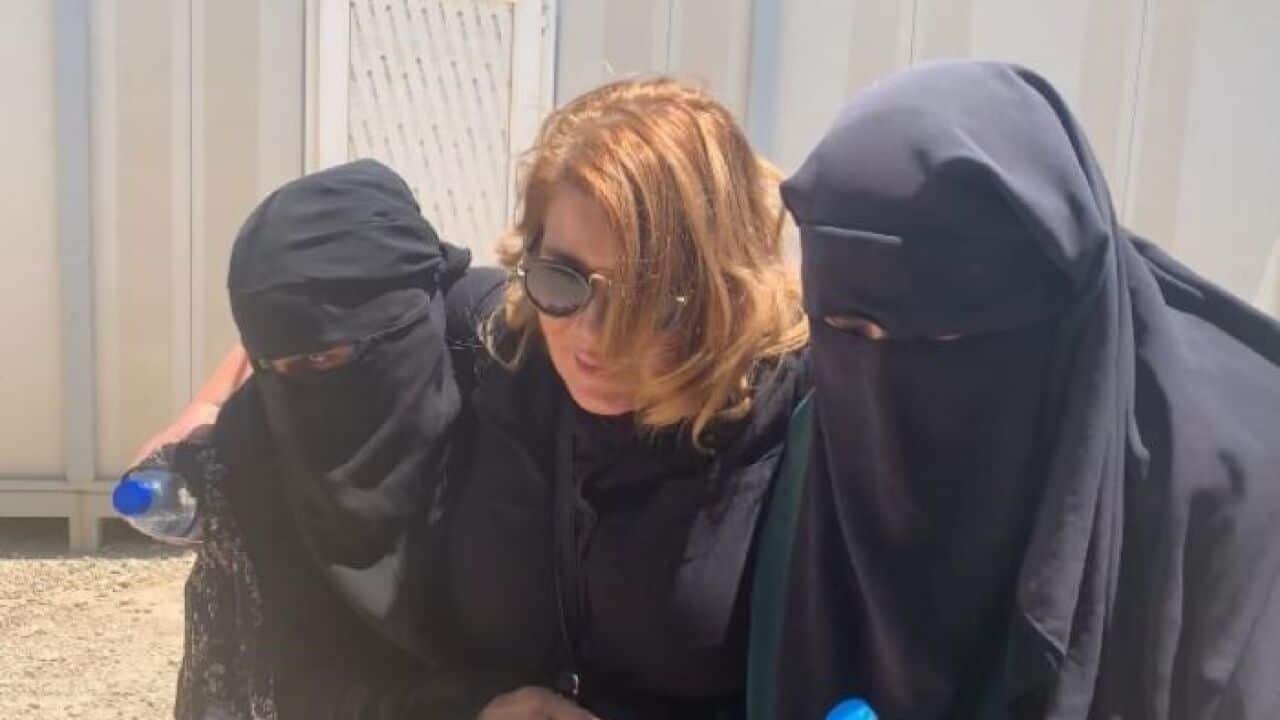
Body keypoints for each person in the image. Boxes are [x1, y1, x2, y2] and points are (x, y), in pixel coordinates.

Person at [146, 78, 811, 719]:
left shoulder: (800, 423)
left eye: (646, 296)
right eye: (563, 277)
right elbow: (322, 322)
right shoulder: (512, 341)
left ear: (721, 284)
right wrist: (213, 404)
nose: (594, 338)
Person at [748, 61, 1280, 719]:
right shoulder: (819, 435)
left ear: (1054, 316)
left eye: (938, 341)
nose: (884, 387)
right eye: (846, 330)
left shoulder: (1226, 494)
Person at [172, 158, 474, 718]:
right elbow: (276, 670)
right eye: (272, 364)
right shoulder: (254, 439)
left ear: (407, 315)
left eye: (322, 356)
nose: (300, 389)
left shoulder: (517, 384)